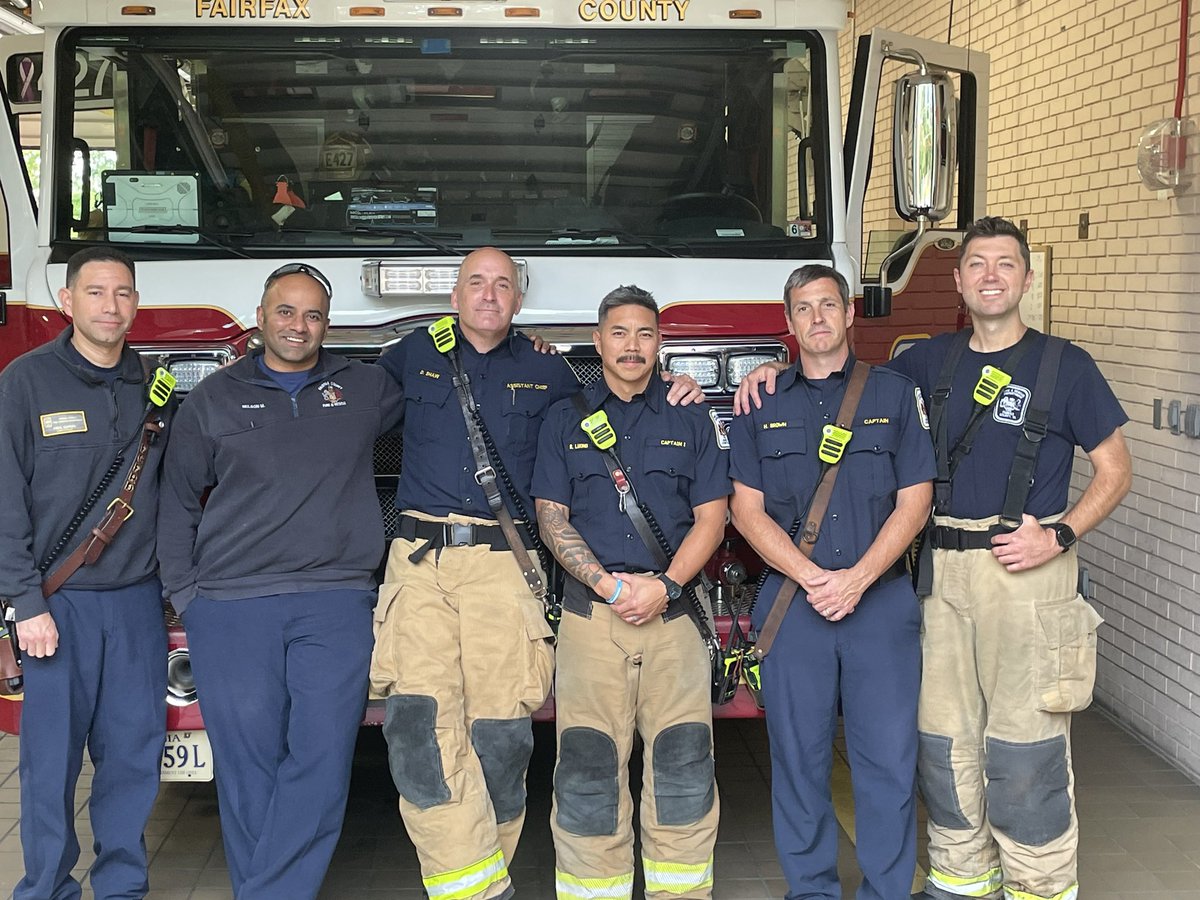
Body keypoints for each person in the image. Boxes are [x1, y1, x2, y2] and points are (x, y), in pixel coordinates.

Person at [734, 219, 1132, 900]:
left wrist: (1061, 534)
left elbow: (1115, 470)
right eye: (977, 264)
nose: (990, 277)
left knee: (1024, 745)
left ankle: (1039, 885)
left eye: (1005, 265)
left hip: (1024, 574)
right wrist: (774, 368)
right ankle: (960, 880)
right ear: (957, 280)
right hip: (941, 579)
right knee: (944, 742)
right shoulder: (923, 366)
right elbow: (836, 383)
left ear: (1026, 279)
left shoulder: (1068, 366)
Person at [369, 249, 702, 900]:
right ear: (455, 295)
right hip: (417, 563)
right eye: (476, 283)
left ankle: (477, 876)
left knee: (501, 736)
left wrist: (677, 386)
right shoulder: (408, 354)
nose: (489, 295)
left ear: (519, 300)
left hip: (504, 563)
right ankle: (471, 887)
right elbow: (345, 415)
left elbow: (615, 420)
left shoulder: (548, 371)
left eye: (503, 285)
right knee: (415, 727)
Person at [156, 262, 403, 900]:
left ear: (329, 324)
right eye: (285, 312)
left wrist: (527, 346)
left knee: (321, 764)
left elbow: (449, 375)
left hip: (335, 602)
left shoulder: (366, 388)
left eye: (313, 314)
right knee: (247, 768)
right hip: (231, 608)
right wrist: (189, 598)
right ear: (260, 318)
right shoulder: (212, 397)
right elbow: (178, 500)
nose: (298, 325)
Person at [727, 264, 934, 900]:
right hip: (794, 606)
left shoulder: (895, 395)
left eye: (827, 305)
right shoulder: (759, 402)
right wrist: (815, 577)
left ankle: (885, 892)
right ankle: (811, 890)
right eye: (802, 309)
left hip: (880, 606)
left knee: (889, 764)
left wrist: (859, 578)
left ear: (849, 314)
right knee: (798, 762)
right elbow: (745, 508)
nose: (817, 318)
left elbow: (916, 498)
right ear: (787, 324)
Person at [533, 285, 729, 900]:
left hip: (673, 620)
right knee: (588, 771)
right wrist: (609, 585)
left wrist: (666, 586)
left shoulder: (689, 415)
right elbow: (550, 516)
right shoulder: (565, 416)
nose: (632, 346)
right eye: (619, 333)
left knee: (683, 767)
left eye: (645, 333)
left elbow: (713, 518)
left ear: (659, 343)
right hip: (593, 619)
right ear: (598, 341)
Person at [0, 246, 170, 900]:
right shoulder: (25, 381)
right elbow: (5, 499)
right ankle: (45, 888)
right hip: (56, 607)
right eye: (96, 292)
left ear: (135, 303)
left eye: (123, 292)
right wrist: (24, 601)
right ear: (67, 302)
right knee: (50, 767)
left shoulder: (152, 387)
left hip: (135, 607)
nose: (111, 305)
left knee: (131, 761)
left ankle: (122, 888)